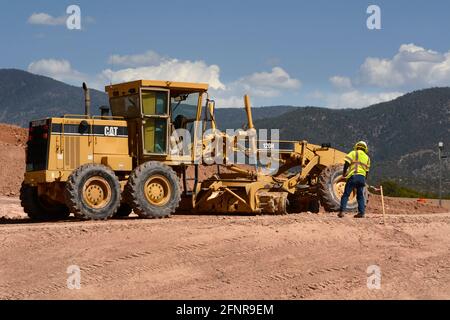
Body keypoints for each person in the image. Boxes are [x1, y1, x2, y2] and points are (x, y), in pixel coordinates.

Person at [338, 141, 371, 218]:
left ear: (357, 146)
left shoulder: (353, 153)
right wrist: (364, 180)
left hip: (353, 176)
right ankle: (361, 213)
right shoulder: (367, 158)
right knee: (360, 196)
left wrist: (344, 172)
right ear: (365, 148)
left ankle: (342, 211)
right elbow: (367, 171)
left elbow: (347, 163)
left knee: (346, 194)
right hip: (362, 178)